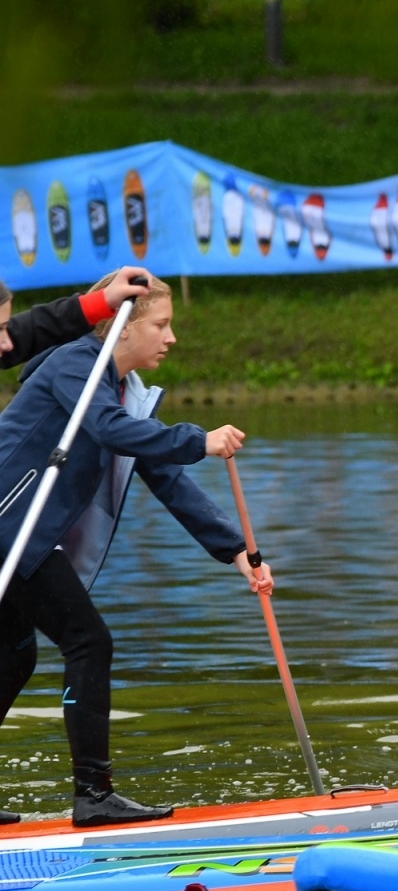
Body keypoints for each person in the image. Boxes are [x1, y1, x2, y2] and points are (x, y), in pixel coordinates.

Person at [0, 271, 273, 827]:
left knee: (15, 655)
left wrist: (238, 550)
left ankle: (91, 795)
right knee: (88, 641)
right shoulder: (76, 365)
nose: (170, 338)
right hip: (11, 528)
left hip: (26, 535)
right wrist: (199, 440)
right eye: (160, 324)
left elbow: (164, 475)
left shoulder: (125, 392)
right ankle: (94, 796)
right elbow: (107, 429)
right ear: (122, 328)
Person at [1, 266, 155, 371]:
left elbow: (34, 329)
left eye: (5, 328)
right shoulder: (73, 366)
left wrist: (104, 299)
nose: (8, 344)